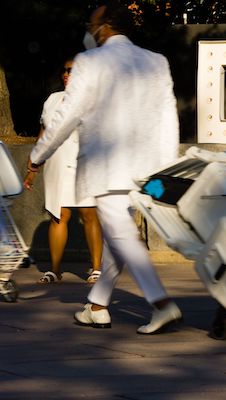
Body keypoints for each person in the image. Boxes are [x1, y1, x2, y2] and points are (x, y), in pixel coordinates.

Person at [27, 1, 181, 334]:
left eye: (91, 23)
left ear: (106, 26)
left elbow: (67, 115)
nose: (88, 30)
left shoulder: (90, 62)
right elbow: (169, 119)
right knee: (119, 238)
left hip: (106, 170)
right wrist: (165, 169)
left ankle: (162, 303)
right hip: (147, 172)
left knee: (122, 236)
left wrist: (38, 155)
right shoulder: (156, 62)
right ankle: (98, 306)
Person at [24, 57, 104, 284]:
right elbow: (44, 134)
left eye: (72, 70)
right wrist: (34, 167)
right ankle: (55, 270)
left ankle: (96, 268)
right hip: (57, 163)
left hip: (84, 161)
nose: (66, 74)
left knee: (89, 214)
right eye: (64, 71)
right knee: (59, 216)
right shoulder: (52, 99)